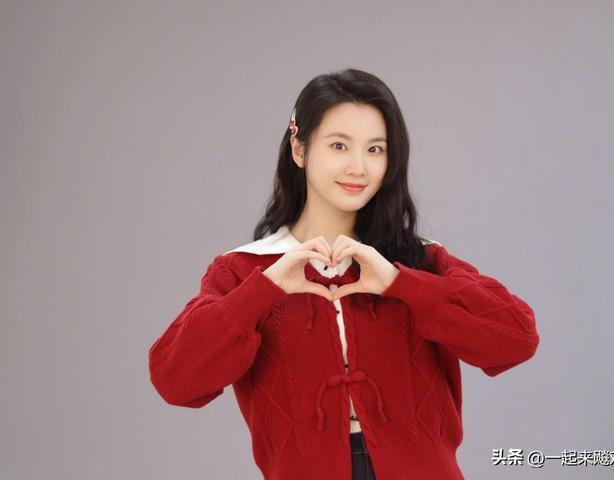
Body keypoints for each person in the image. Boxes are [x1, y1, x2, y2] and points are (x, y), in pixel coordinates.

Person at [148, 68, 540, 480]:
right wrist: (263, 291)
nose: (359, 167)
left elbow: (517, 339)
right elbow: (175, 381)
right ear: (299, 149)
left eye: (375, 149)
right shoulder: (243, 269)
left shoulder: (421, 261)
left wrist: (401, 284)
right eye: (339, 145)